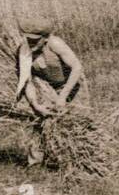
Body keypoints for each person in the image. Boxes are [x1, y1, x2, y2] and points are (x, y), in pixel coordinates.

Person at [16, 15, 84, 165]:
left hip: (70, 87)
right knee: (37, 120)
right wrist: (35, 104)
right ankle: (36, 162)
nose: (31, 43)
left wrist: (62, 97)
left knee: (74, 123)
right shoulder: (23, 51)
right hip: (45, 88)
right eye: (28, 39)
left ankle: (73, 161)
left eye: (36, 40)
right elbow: (27, 81)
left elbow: (77, 67)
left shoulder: (55, 44)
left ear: (45, 38)